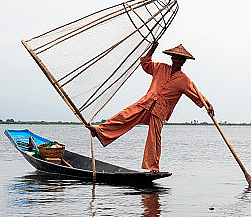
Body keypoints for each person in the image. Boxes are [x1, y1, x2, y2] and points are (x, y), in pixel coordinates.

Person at [87, 41, 213, 172]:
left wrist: (208, 106)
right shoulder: (160, 68)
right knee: (124, 116)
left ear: (183, 62)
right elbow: (146, 64)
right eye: (176, 58)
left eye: (181, 59)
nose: (178, 60)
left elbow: (196, 95)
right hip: (146, 102)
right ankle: (100, 131)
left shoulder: (184, 80)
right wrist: (152, 49)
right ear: (172, 58)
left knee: (154, 138)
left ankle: (153, 167)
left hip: (160, 111)